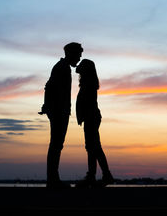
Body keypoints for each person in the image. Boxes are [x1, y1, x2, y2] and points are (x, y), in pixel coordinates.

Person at [39, 42, 83, 189]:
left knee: (57, 145)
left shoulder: (63, 68)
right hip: (58, 112)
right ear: (71, 54)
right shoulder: (61, 68)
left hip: (60, 111)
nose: (79, 58)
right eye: (78, 55)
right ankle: (52, 180)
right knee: (56, 145)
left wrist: (47, 106)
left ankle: (53, 179)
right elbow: (49, 87)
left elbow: (49, 87)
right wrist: (48, 107)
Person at [75, 59, 114, 187]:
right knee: (92, 148)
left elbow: (86, 102)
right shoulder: (88, 82)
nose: (79, 66)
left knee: (94, 147)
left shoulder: (89, 83)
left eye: (82, 65)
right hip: (91, 117)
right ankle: (94, 176)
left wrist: (82, 115)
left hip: (91, 117)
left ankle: (102, 175)